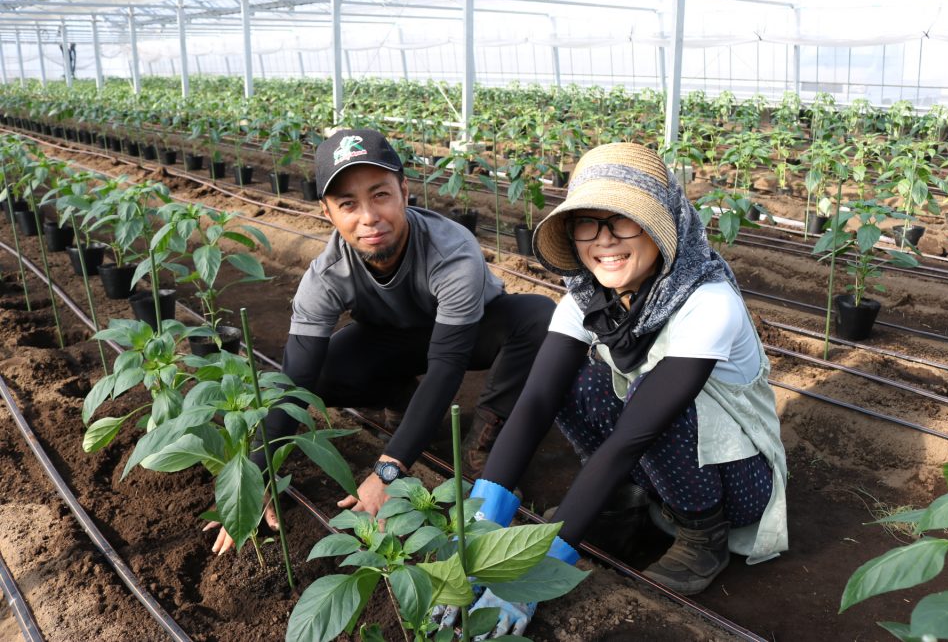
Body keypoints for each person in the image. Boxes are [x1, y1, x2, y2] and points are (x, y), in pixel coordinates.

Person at [458, 142, 789, 637]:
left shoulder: (708, 301)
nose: (604, 241)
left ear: (663, 225)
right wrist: (481, 526)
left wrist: (540, 568)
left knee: (650, 399)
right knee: (575, 380)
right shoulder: (589, 296)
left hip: (737, 480)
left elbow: (633, 434)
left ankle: (702, 533)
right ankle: (628, 498)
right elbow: (536, 402)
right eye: (588, 223)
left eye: (623, 221)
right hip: (657, 455)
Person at [207, 128, 554, 554]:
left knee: (538, 317)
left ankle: (487, 441)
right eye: (348, 204)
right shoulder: (326, 274)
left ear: (405, 191)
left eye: (380, 195)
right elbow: (294, 379)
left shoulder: (451, 252)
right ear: (327, 212)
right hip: (393, 341)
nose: (368, 216)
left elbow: (447, 368)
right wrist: (255, 477)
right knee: (320, 375)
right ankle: (398, 396)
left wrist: (388, 470)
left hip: (471, 332)